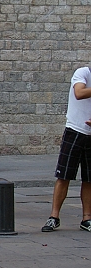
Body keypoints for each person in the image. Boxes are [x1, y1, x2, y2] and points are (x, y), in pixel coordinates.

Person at [41, 65, 91, 233]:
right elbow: (79, 93)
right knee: (64, 175)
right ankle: (54, 217)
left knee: (89, 179)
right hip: (74, 130)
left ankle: (87, 218)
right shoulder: (83, 73)